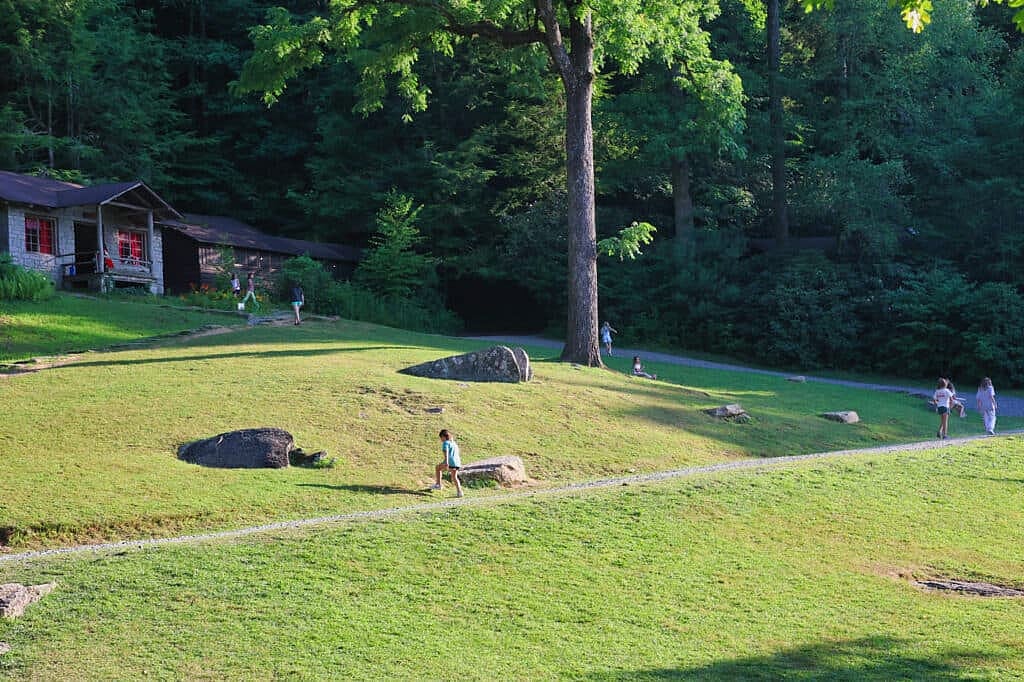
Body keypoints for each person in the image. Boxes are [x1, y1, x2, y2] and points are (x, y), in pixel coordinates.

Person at [430, 429, 464, 498]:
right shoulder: (453, 443)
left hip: (450, 462)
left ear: (444, 437)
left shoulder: (445, 443)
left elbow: (446, 452)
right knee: (454, 477)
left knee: (437, 468)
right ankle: (459, 492)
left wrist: (446, 462)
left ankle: (438, 485)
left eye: (441, 438)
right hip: (457, 463)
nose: (441, 440)